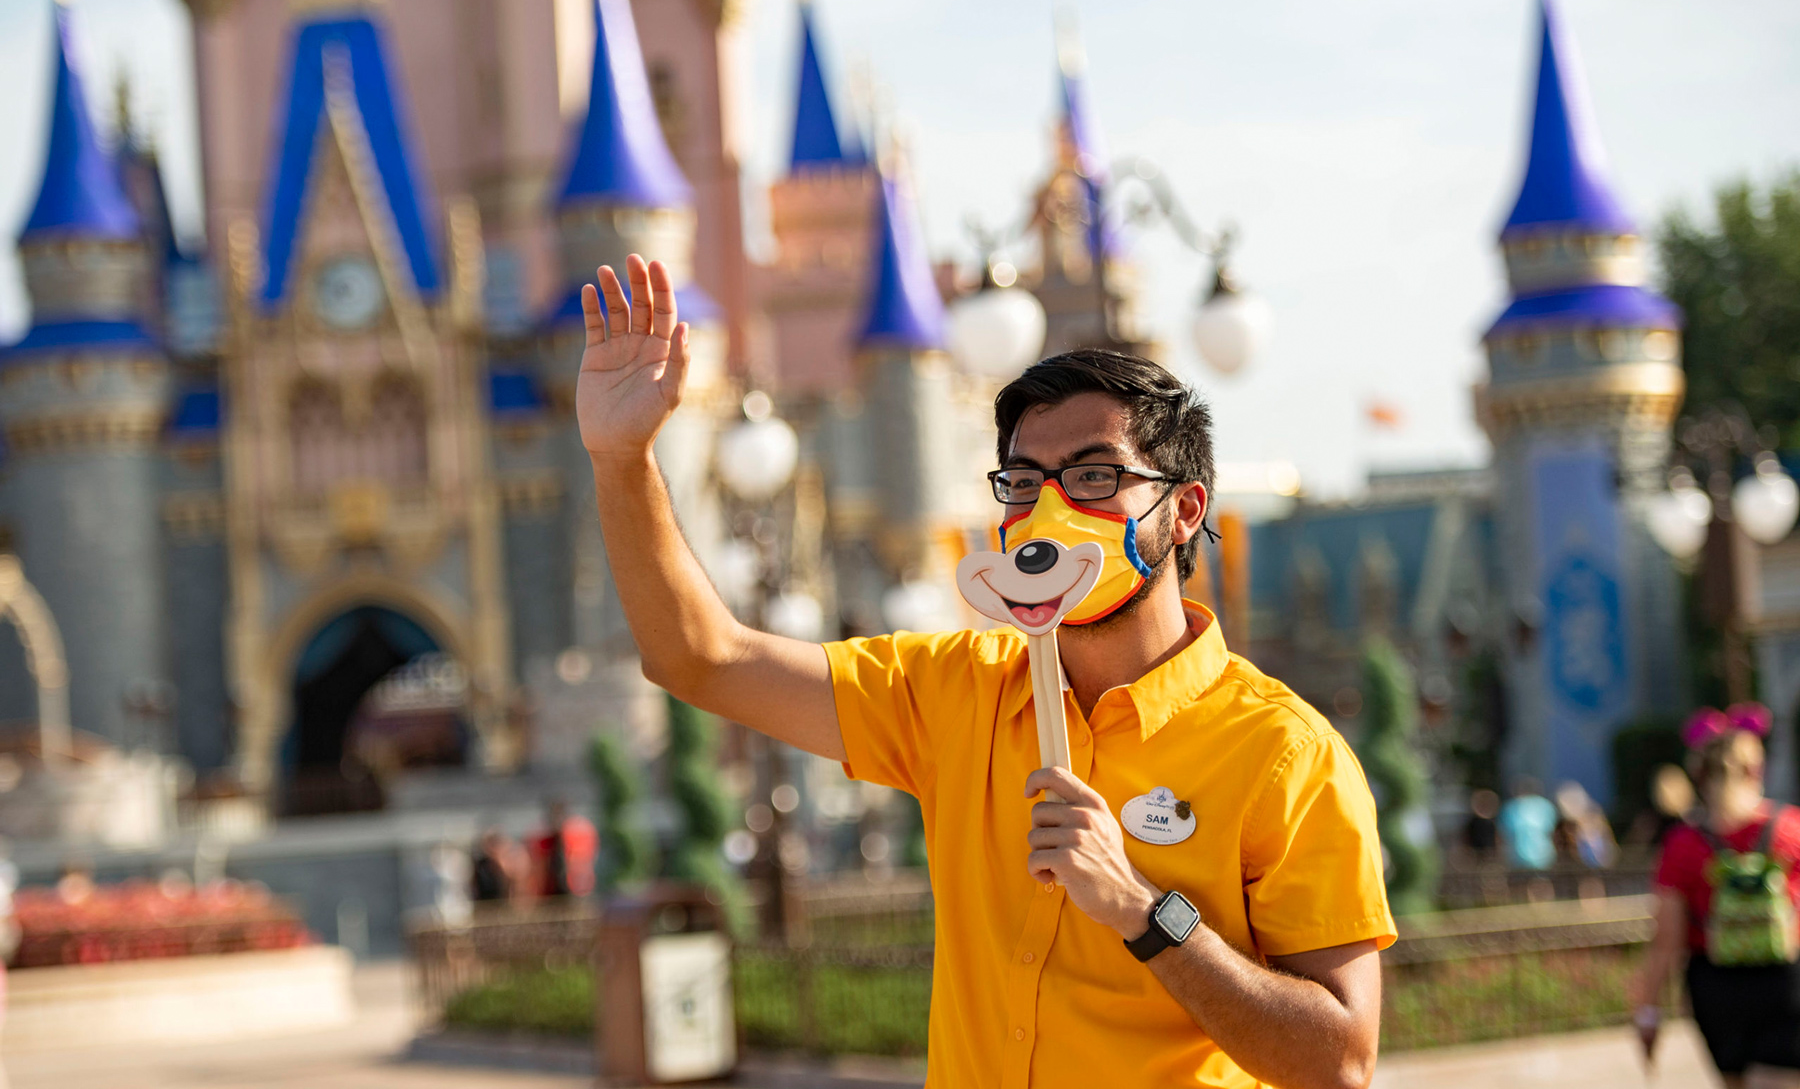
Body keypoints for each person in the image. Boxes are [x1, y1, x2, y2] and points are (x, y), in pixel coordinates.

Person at [574, 256, 1394, 1089]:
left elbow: (1339, 1062)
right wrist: (622, 459)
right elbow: (699, 659)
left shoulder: (1285, 756)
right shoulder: (953, 692)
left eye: (1094, 476)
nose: (1049, 512)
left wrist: (1145, 911)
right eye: (1024, 482)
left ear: (1183, 509)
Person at [1632, 704, 1800, 1087]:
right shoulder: (1791, 829)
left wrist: (1649, 1012)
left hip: (1715, 985)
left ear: (1698, 774)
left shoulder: (1683, 845)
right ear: (1756, 770)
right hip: (1785, 980)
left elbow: (1667, 941)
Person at [532, 799, 599, 899]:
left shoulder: (575, 835)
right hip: (551, 889)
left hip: (576, 886)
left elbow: (583, 860)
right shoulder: (546, 840)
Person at [1497, 777, 1558, 872]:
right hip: (1533, 855)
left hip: (1530, 855)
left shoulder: (1511, 807)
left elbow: (1503, 833)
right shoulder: (1544, 805)